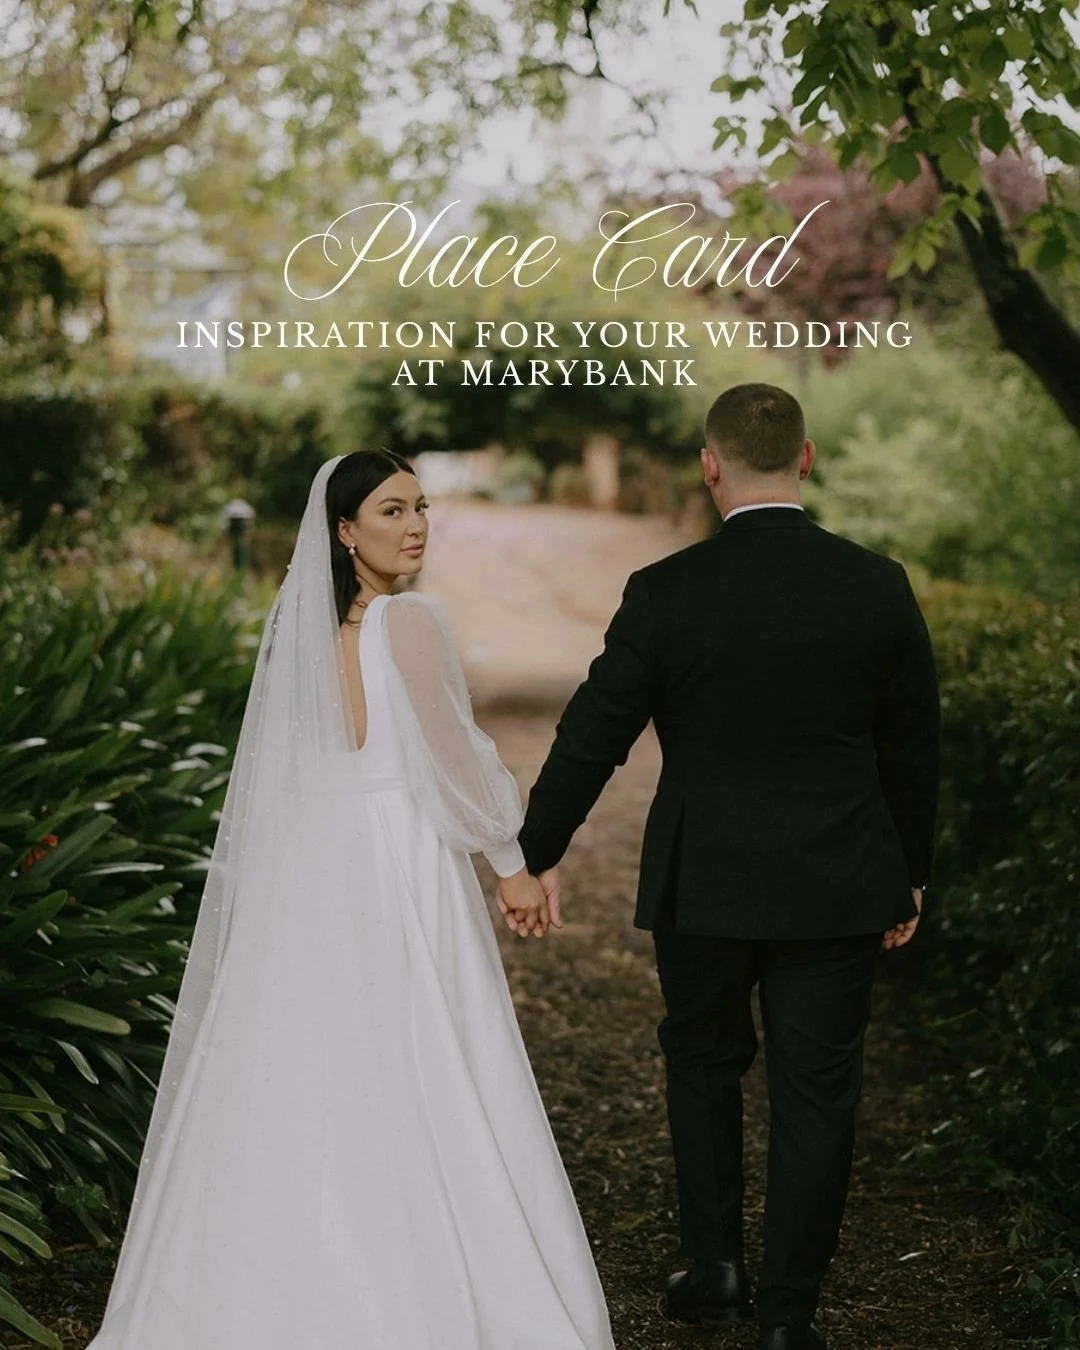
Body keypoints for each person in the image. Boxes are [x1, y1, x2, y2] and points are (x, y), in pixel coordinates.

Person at [86, 450, 613, 1350]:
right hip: (397, 864)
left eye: (420, 507)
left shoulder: (300, 640)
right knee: (422, 1057)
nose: (413, 526)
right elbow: (457, 766)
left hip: (311, 873)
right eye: (390, 510)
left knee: (305, 1070)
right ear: (343, 531)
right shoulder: (409, 623)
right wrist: (512, 863)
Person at [501, 383, 941, 1350]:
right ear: (808, 458)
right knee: (817, 1090)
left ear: (710, 466)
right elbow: (914, 745)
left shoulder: (668, 591)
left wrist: (529, 854)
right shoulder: (878, 584)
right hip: (835, 883)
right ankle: (791, 1317)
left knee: (702, 1067)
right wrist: (908, 870)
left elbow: (594, 734)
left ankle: (717, 1271)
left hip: (705, 881)